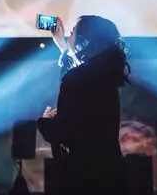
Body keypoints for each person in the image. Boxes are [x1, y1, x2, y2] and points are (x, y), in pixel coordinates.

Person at [37, 15, 130, 195]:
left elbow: (63, 133)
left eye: (72, 33)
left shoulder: (78, 79)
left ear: (84, 41)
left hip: (84, 177)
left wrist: (45, 121)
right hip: (111, 174)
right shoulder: (107, 75)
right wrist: (64, 47)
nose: (69, 34)